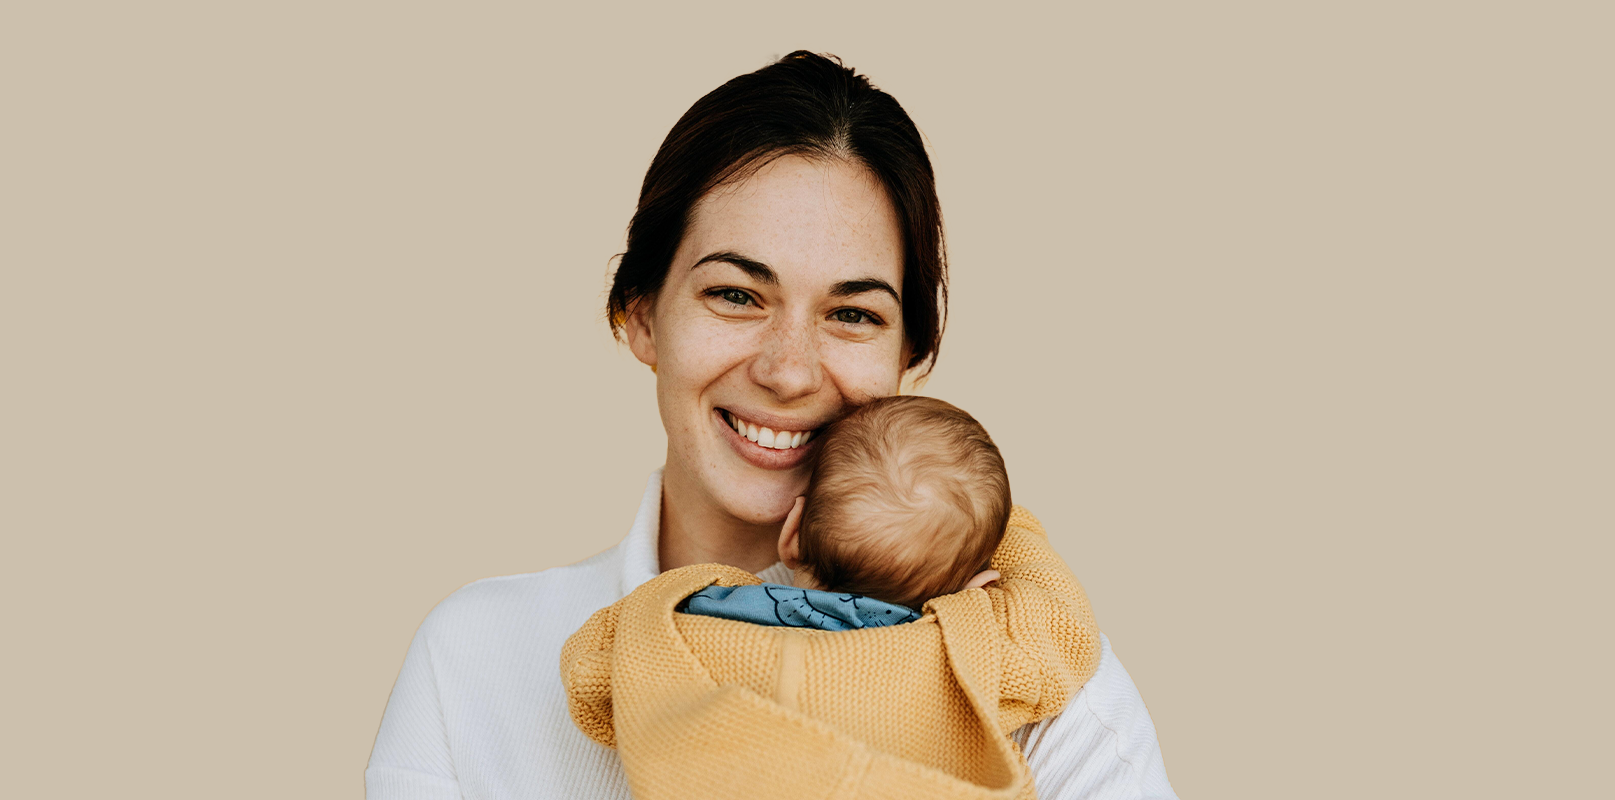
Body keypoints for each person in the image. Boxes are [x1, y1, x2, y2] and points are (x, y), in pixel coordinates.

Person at [366, 51, 1179, 800]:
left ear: (911, 356)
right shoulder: (475, 663)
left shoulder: (1053, 699)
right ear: (639, 315)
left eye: (853, 314)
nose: (788, 371)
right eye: (735, 294)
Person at [558, 396, 1105, 799]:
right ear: (980, 591)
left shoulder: (697, 623)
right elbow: (1063, 628)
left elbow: (590, 676)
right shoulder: (968, 660)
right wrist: (1006, 528)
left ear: (792, 535)